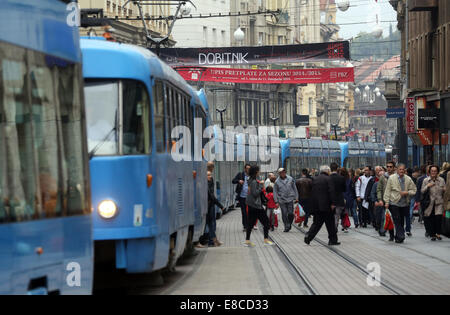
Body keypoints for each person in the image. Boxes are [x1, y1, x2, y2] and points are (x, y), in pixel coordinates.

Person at [304, 165, 339, 246]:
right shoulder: (329, 179)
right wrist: (333, 203)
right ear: (327, 171)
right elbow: (331, 192)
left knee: (316, 223)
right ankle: (332, 240)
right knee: (330, 224)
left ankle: (308, 236)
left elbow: (312, 192)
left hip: (317, 206)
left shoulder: (315, 179)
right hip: (327, 206)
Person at [383, 163, 417, 244]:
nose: (401, 171)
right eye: (400, 169)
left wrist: (407, 192)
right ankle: (401, 235)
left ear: (405, 170)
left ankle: (398, 237)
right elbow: (388, 190)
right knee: (396, 219)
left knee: (401, 220)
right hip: (394, 202)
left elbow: (414, 190)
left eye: (403, 169)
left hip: (404, 203)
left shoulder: (408, 179)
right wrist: (386, 202)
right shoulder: (391, 178)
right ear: (397, 170)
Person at [244, 165, 273, 247]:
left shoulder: (251, 180)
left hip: (252, 205)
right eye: (258, 171)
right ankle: (265, 240)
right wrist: (261, 185)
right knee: (266, 222)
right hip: (256, 206)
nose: (259, 172)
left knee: (250, 223)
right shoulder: (253, 181)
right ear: (256, 172)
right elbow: (255, 193)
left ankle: (247, 241)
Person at [421, 165, 446, 241]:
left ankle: (438, 233)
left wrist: (444, 189)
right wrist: (427, 186)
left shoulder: (441, 180)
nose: (433, 172)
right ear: (429, 172)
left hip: (439, 202)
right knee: (430, 219)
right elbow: (422, 191)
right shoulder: (426, 180)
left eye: (435, 171)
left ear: (437, 172)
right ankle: (433, 234)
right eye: (432, 171)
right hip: (429, 203)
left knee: (438, 218)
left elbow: (444, 190)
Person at [274, 168, 299, 232]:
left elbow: (294, 188)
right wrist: (276, 201)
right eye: (281, 172)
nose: (282, 173)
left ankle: (289, 223)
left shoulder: (290, 179)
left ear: (285, 172)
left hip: (290, 198)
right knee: (284, 213)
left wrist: (296, 197)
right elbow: (275, 192)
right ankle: (286, 226)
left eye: (283, 172)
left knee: (291, 213)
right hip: (281, 199)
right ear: (279, 174)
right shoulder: (277, 181)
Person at [377, 162, 396, 240]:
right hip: (386, 201)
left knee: (397, 218)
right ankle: (391, 235)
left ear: (394, 168)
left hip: (396, 200)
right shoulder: (383, 177)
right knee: (388, 218)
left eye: (390, 167)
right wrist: (380, 199)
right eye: (387, 166)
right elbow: (379, 189)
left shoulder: (397, 176)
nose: (389, 168)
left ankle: (398, 234)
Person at [207, 171, 225, 247]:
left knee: (210, 224)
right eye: (208, 175)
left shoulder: (210, 182)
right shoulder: (206, 184)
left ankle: (213, 241)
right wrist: (221, 206)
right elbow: (212, 196)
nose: (210, 176)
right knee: (210, 224)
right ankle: (213, 241)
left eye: (210, 175)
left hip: (210, 206)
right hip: (207, 207)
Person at [232, 164, 251, 232]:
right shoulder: (240, 174)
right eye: (247, 168)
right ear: (245, 169)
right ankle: (245, 226)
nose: (248, 170)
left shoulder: (252, 176)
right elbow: (233, 181)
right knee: (244, 212)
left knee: (250, 212)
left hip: (250, 197)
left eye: (249, 168)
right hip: (242, 196)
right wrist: (239, 181)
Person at [330, 163, 346, 232]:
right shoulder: (341, 178)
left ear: (330, 169)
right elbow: (344, 189)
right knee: (337, 215)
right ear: (337, 169)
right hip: (339, 199)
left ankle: (332, 228)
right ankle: (335, 227)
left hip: (330, 200)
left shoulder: (328, 178)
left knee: (331, 215)